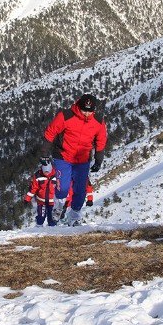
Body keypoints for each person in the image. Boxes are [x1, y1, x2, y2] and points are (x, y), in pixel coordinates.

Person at [40, 94, 107, 226]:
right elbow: (51, 132)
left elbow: (101, 140)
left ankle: (74, 216)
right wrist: (44, 152)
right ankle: (58, 207)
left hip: (83, 159)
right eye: (84, 110)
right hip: (63, 156)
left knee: (80, 191)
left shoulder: (98, 121)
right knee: (63, 188)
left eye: (90, 111)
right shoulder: (66, 116)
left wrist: (98, 160)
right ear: (78, 106)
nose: (87, 114)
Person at [23, 157, 60, 227]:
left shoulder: (57, 175)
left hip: (53, 202)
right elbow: (33, 188)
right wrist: (27, 199)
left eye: (47, 172)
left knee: (51, 219)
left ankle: (52, 231)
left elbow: (61, 188)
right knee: (40, 218)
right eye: (44, 172)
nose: (46, 174)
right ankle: (38, 229)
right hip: (41, 201)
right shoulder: (38, 176)